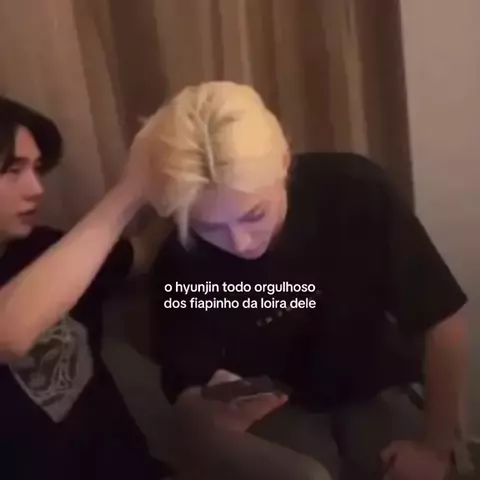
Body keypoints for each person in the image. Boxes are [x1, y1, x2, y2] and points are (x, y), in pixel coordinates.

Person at [145, 82, 468, 480]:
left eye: (254, 215)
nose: (241, 243)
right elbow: (185, 391)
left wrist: (434, 447)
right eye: (211, 227)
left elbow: (442, 320)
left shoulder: (355, 191)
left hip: (375, 383)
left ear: (284, 162)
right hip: (275, 407)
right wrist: (210, 417)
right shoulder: (182, 258)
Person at [0, 97, 171, 479]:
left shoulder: (47, 247)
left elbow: (142, 252)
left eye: (37, 169)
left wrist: (186, 199)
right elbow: (8, 333)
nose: (36, 189)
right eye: (13, 170)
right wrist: (132, 188)